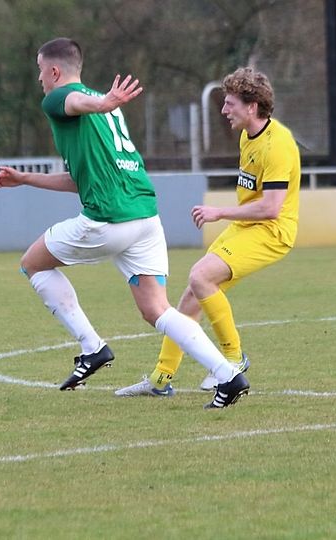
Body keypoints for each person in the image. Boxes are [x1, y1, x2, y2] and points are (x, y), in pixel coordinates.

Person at [0, 37, 249, 408]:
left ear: (54, 71)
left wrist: (101, 101)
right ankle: (229, 375)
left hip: (108, 220)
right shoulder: (106, 111)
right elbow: (82, 179)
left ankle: (92, 347)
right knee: (157, 310)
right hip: (144, 217)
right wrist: (26, 177)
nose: (39, 80)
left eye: (40, 72)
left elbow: (74, 101)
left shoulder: (62, 100)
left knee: (32, 264)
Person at [116, 66, 300, 397]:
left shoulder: (278, 146)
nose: (224, 110)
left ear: (252, 107)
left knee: (200, 277)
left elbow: (271, 207)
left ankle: (233, 361)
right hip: (248, 227)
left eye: (230, 104)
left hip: (272, 232)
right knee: (194, 291)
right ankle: (161, 378)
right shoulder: (248, 136)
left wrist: (219, 212)